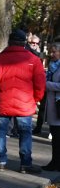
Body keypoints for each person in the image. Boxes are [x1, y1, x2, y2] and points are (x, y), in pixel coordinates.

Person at [0, 29, 46, 173]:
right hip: (25, 104)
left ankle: (0, 161)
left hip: (1, 102)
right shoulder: (34, 61)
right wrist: (36, 99)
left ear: (9, 42)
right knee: (25, 133)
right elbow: (40, 84)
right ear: (24, 43)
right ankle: (25, 164)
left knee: (0, 132)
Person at [42, 42, 60, 171]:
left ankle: (56, 164)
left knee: (58, 137)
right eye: (50, 51)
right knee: (55, 137)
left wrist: (47, 84)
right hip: (53, 105)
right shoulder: (53, 66)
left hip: (58, 105)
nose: (51, 54)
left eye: (54, 51)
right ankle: (55, 162)